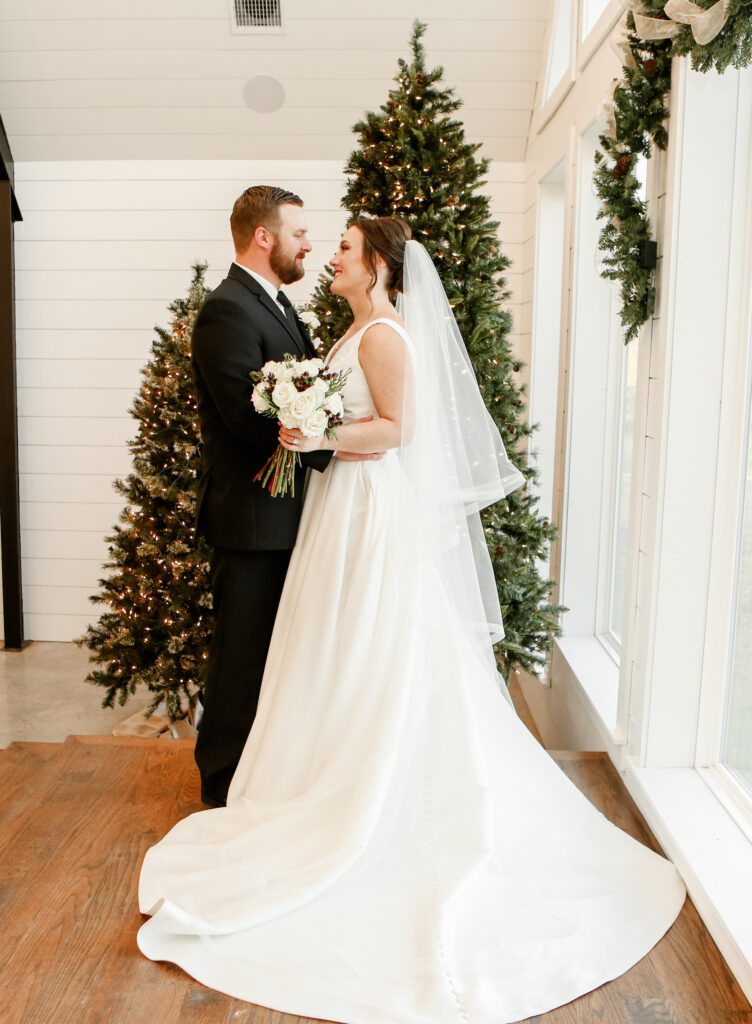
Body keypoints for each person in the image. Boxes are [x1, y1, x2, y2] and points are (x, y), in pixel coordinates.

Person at [138, 217, 686, 1024]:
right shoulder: (353, 329)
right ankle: (314, 774)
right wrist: (313, 426)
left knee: (373, 650)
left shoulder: (386, 334)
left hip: (367, 509)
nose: (332, 257)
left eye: (347, 250)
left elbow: (400, 432)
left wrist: (320, 429)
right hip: (338, 508)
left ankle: (378, 788)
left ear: (381, 266)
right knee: (332, 651)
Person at [190, 185, 373, 808]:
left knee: (273, 653)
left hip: (283, 515)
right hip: (249, 519)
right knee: (241, 657)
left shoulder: (273, 303)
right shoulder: (228, 309)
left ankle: (259, 775)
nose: (310, 244)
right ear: (263, 237)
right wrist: (336, 443)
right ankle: (220, 784)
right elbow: (247, 416)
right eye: (299, 233)